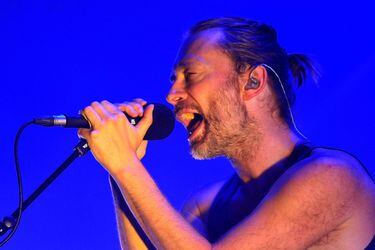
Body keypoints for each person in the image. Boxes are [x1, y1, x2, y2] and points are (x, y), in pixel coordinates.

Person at [78, 17, 375, 249]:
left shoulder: (333, 177)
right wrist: (122, 167)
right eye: (173, 80)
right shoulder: (206, 206)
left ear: (253, 82)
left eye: (190, 74)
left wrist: (126, 166)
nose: (171, 95)